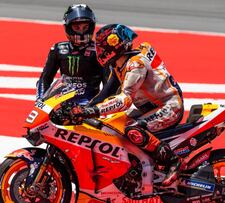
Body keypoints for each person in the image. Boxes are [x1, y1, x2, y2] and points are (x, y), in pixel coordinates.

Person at [69, 24, 184, 186]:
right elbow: (107, 92)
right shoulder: (122, 62)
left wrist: (92, 111)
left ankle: (173, 161)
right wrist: (83, 109)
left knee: (132, 130)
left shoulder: (136, 65)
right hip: (152, 106)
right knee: (113, 125)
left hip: (170, 107)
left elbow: (124, 100)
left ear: (115, 45)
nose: (100, 51)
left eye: (102, 46)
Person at [36, 4, 113, 105]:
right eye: (77, 27)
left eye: (85, 27)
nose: (81, 32)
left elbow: (108, 82)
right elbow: (45, 79)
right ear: (68, 28)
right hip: (60, 104)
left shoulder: (100, 51)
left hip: (89, 106)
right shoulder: (58, 49)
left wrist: (102, 105)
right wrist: (40, 100)